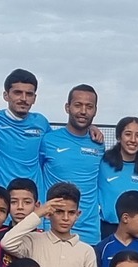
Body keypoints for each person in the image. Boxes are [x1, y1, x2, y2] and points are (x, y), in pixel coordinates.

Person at [40, 84, 104, 220]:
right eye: (78, 105)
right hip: (54, 224)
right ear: (67, 107)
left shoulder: (98, 143)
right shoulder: (48, 140)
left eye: (89, 106)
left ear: (95, 110)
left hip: (90, 225)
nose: (83, 111)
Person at [0, 69, 51, 196]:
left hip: (32, 200)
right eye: (18, 93)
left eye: (29, 94)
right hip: (0, 200)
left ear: (34, 98)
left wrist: (89, 128)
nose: (24, 98)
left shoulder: (41, 122)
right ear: (6, 95)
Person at [98, 117, 138, 239]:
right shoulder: (103, 164)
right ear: (119, 137)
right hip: (109, 230)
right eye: (128, 134)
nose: (133, 140)